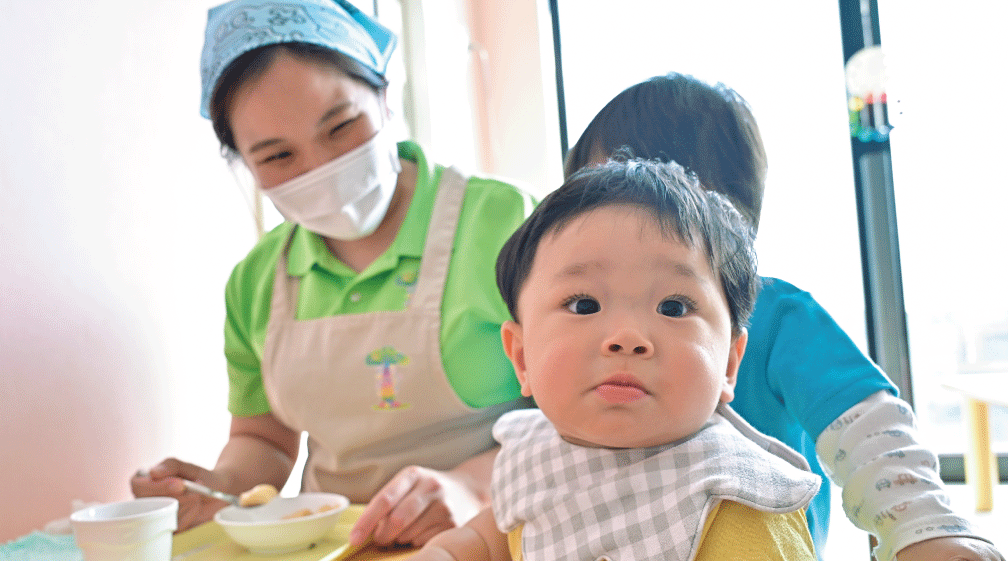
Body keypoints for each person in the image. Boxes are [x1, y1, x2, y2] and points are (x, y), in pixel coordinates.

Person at [130, 0, 535, 547]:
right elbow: (264, 440)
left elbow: (589, 411)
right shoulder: (256, 281)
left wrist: (474, 487)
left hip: (496, 536)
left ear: (384, 95)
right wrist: (219, 488)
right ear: (244, 165)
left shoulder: (510, 224)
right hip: (336, 547)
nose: (320, 168)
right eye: (277, 157)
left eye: (341, 126)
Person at [563, 74, 1004, 561]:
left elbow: (866, 425)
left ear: (723, 216)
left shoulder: (773, 312)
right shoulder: (571, 322)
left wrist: (923, 526)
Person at [412, 158, 821, 561]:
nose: (627, 338)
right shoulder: (534, 458)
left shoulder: (740, 504)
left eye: (673, 307)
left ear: (729, 364)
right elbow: (491, 540)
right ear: (521, 358)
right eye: (584, 304)